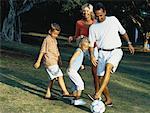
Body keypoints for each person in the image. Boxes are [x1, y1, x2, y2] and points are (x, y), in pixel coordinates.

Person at [89, 2, 135, 106]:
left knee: (108, 67)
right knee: (100, 78)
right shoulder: (93, 27)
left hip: (115, 50)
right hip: (101, 53)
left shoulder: (113, 20)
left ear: (105, 12)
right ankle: (108, 99)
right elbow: (91, 44)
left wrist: (129, 43)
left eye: (101, 15)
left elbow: (123, 32)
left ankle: (98, 93)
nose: (99, 18)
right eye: (97, 16)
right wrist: (92, 55)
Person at [68, 3, 100, 94]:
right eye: (84, 11)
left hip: (93, 49)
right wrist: (72, 38)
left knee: (95, 72)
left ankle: (97, 93)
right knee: (74, 68)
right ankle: (74, 91)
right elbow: (76, 36)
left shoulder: (95, 23)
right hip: (82, 49)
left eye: (87, 11)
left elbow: (98, 36)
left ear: (91, 12)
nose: (85, 12)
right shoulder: (79, 23)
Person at [34, 23, 70, 99]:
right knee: (60, 75)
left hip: (54, 61)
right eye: (54, 34)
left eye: (57, 34)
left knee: (53, 78)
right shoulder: (47, 40)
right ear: (50, 31)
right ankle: (65, 92)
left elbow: (56, 51)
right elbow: (42, 51)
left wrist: (59, 59)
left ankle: (48, 93)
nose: (56, 36)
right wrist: (38, 61)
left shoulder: (54, 40)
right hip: (50, 61)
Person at [67, 37, 89, 105]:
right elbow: (72, 59)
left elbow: (77, 60)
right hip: (72, 70)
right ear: (80, 45)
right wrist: (70, 67)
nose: (86, 48)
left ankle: (74, 99)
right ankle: (77, 99)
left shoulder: (81, 52)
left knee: (74, 85)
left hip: (73, 71)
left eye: (87, 47)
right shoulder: (79, 51)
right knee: (80, 84)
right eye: (84, 46)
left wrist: (80, 65)